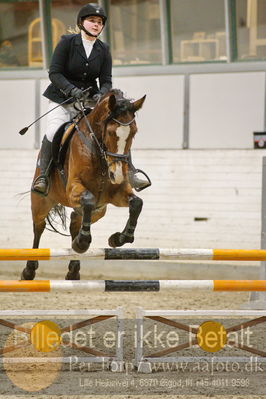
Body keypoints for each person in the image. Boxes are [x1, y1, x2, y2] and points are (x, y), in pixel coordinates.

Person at [33, 3, 150, 195]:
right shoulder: (67, 42)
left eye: (99, 22)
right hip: (62, 99)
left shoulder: (103, 49)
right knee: (54, 130)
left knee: (115, 129)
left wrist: (100, 94)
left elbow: (106, 80)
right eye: (92, 21)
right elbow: (54, 73)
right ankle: (44, 176)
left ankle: (131, 171)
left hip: (89, 101)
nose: (96, 25)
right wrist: (71, 90)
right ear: (82, 22)